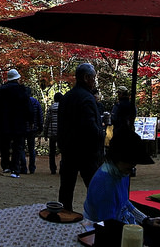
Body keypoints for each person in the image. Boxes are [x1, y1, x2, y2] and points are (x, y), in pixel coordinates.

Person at [84, 128, 160, 247]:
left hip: (120, 225)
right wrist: (138, 235)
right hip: (100, 231)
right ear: (117, 158)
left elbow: (124, 203)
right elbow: (109, 226)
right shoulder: (104, 183)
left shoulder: (121, 172)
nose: (133, 166)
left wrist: (146, 220)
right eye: (130, 162)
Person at [58, 62, 103, 211]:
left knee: (65, 190)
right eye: (93, 78)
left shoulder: (66, 97)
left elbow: (61, 125)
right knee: (94, 188)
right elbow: (90, 127)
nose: (94, 81)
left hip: (68, 150)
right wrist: (99, 139)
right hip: (86, 153)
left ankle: (64, 217)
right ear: (85, 77)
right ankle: (99, 219)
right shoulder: (87, 98)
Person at [0, 68, 32, 177]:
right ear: (17, 78)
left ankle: (6, 166)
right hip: (19, 123)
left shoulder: (0, 90)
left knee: (4, 145)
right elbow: (28, 107)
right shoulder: (22, 90)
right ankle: (15, 170)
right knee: (18, 146)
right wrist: (30, 120)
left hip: (3, 123)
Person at [20, 92, 44, 174]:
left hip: (22, 129)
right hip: (32, 128)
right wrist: (40, 127)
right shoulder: (36, 102)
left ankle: (23, 167)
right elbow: (40, 115)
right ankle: (32, 168)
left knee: (21, 148)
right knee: (31, 149)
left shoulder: (21, 102)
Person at [43, 92, 62, 174]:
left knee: (52, 151)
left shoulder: (51, 108)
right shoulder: (64, 107)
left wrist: (45, 133)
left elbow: (47, 121)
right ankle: (62, 168)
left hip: (52, 132)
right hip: (61, 132)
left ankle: (53, 168)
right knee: (63, 151)